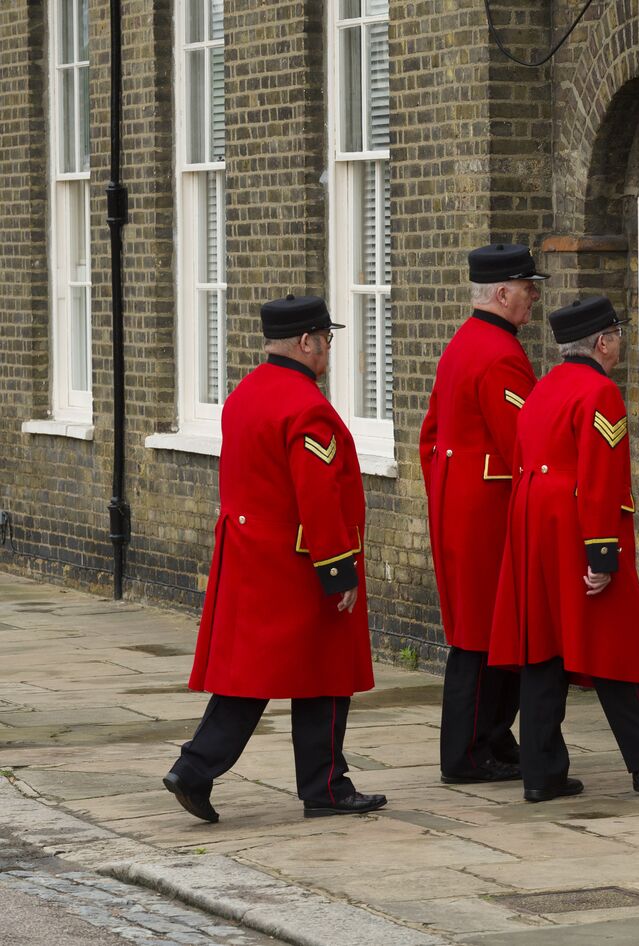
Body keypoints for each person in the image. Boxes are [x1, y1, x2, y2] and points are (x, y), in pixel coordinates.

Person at [164, 294, 386, 822]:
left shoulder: (245, 393)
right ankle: (323, 786)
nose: (329, 350)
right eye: (327, 340)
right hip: (298, 562)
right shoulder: (306, 405)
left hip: (251, 556)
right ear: (307, 341)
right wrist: (339, 568)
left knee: (254, 677)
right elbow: (317, 493)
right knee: (328, 673)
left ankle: (204, 769)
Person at [489, 296, 639, 802]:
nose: (619, 346)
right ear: (603, 342)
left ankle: (542, 774)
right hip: (576, 529)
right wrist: (602, 555)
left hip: (533, 528)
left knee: (543, 652)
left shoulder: (543, 388)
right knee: (620, 649)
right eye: (616, 337)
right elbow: (599, 479)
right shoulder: (600, 393)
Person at [420, 244, 547, 783]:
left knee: (487, 633)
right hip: (489, 513)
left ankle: (492, 736)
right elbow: (524, 439)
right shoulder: (499, 354)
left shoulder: (463, 343)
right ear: (501, 293)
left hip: (462, 505)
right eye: (526, 288)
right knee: (483, 635)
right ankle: (468, 754)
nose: (533, 298)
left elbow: (429, 437)